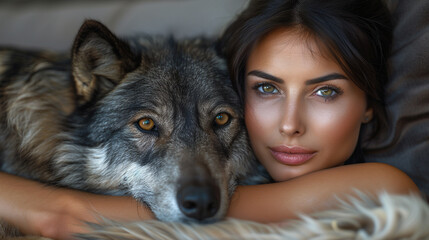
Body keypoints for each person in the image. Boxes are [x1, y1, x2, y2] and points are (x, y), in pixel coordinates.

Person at [0, 0, 419, 239]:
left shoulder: (385, 189)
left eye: (326, 91)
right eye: (267, 89)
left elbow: (62, 215)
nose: (290, 124)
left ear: (369, 101)